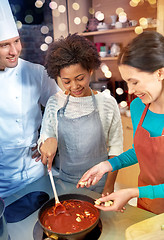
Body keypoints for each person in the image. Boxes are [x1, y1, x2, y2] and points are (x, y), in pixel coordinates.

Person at [77, 31, 164, 215]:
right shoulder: (140, 107)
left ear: (160, 72)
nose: (130, 90)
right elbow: (142, 150)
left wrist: (133, 192)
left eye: (134, 82)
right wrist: (108, 165)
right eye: (126, 82)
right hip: (148, 205)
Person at [38, 33, 123, 194]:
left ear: (90, 70)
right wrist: (46, 142)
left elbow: (116, 149)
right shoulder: (54, 103)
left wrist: (109, 186)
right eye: (67, 81)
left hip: (99, 183)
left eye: (80, 78)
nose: (74, 86)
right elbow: (45, 140)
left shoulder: (107, 103)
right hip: (63, 183)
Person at [0, 0, 60, 198]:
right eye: (4, 45)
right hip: (3, 182)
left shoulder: (35, 72)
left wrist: (49, 136)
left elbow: (59, 106)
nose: (14, 51)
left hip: (36, 173)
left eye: (16, 41)